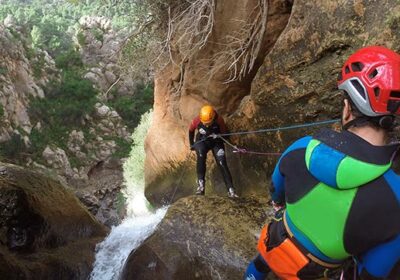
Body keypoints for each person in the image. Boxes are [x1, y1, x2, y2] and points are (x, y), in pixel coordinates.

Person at [244, 46, 400, 280]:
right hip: (319, 271)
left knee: (262, 260)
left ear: (347, 108)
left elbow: (276, 191)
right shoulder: (395, 198)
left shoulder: (302, 147)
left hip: (277, 242)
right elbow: (373, 273)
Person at [189, 105, 238, 198]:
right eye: (205, 123)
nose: (207, 125)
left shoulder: (219, 120)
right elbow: (191, 131)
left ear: (213, 118)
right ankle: (201, 186)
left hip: (216, 142)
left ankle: (231, 190)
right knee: (200, 155)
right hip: (202, 141)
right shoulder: (197, 120)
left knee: (222, 162)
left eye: (209, 122)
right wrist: (192, 144)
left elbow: (224, 134)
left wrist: (221, 137)